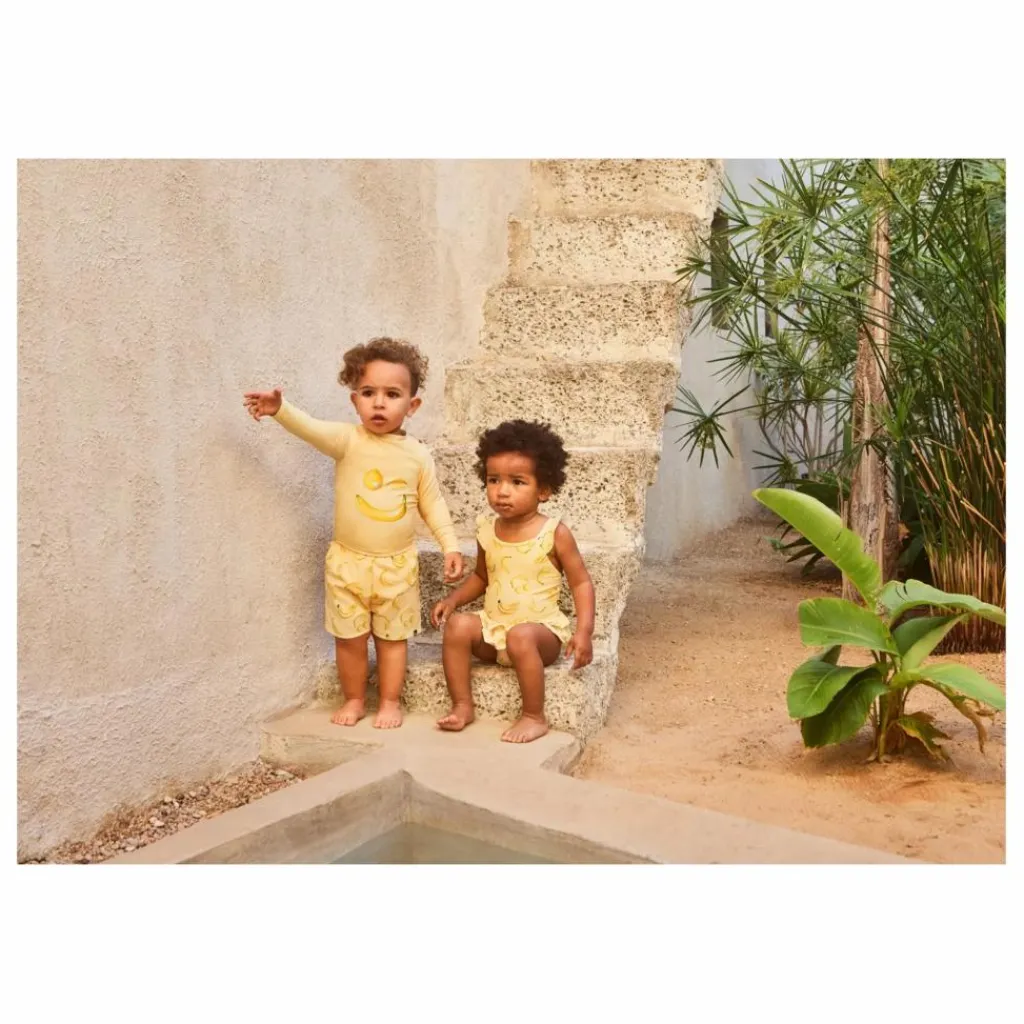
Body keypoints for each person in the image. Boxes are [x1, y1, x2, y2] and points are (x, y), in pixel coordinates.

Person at [243, 337, 463, 730]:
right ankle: (355, 698)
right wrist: (280, 410)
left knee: (392, 641)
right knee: (349, 640)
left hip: (397, 568)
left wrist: (449, 545)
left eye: (392, 394)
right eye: (368, 392)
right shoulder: (348, 441)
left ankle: (390, 701)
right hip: (348, 565)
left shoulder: (417, 455)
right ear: (354, 400)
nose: (379, 403)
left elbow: (432, 503)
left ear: (412, 405)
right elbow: (310, 428)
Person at [430, 420, 595, 743]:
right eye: (494, 480)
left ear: (543, 490)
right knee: (459, 626)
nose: (502, 491)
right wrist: (452, 601)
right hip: (495, 631)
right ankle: (462, 705)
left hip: (539, 636)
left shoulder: (554, 533)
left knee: (521, 635)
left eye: (517, 482)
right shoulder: (487, 530)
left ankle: (534, 716)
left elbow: (581, 583)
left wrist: (584, 631)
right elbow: (481, 577)